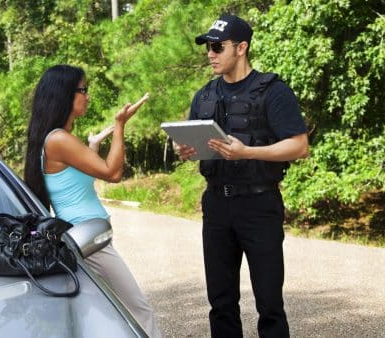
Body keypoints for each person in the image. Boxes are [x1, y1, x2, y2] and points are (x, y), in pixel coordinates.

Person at [175, 14, 309, 338]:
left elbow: (300, 146)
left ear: (241, 48)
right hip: (216, 206)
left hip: (259, 205)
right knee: (220, 303)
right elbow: (199, 144)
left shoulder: (272, 92)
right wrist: (188, 151)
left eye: (218, 46)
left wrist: (248, 152)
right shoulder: (203, 96)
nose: (210, 53)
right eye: (208, 46)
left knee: (269, 304)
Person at [24, 64, 161, 338]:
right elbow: (113, 172)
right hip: (88, 243)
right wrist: (120, 125)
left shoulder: (53, 138)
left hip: (84, 241)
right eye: (83, 90)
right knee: (139, 311)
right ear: (65, 94)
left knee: (103, 317)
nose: (88, 96)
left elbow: (76, 177)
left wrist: (95, 144)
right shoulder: (59, 139)